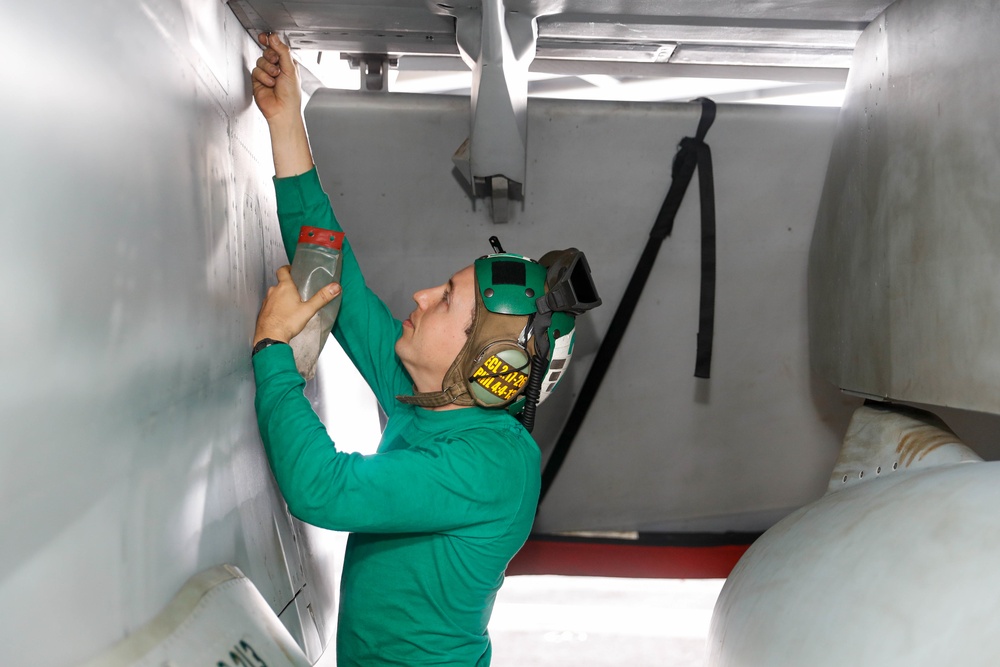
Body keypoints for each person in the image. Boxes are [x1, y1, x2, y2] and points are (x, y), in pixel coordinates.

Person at [249, 33, 599, 666]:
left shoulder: (492, 467)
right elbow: (337, 279)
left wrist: (274, 350)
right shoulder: (432, 399)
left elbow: (325, 491)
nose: (419, 294)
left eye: (444, 300)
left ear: (490, 366)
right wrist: (285, 123)